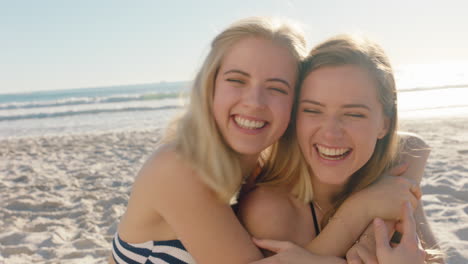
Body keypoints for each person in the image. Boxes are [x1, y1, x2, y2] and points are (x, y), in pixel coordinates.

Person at [110, 18, 421, 264]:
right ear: (210, 86)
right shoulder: (177, 168)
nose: (255, 101)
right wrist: (361, 210)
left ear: (294, 105)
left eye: (276, 87)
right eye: (236, 80)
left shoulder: (259, 162)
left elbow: (412, 145)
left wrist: (376, 222)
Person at [238, 34, 442, 263]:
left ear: (384, 124)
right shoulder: (271, 213)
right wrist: (360, 209)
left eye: (354, 114)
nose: (330, 133)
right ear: (294, 116)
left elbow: (415, 144)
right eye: (313, 110)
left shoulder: (393, 176)